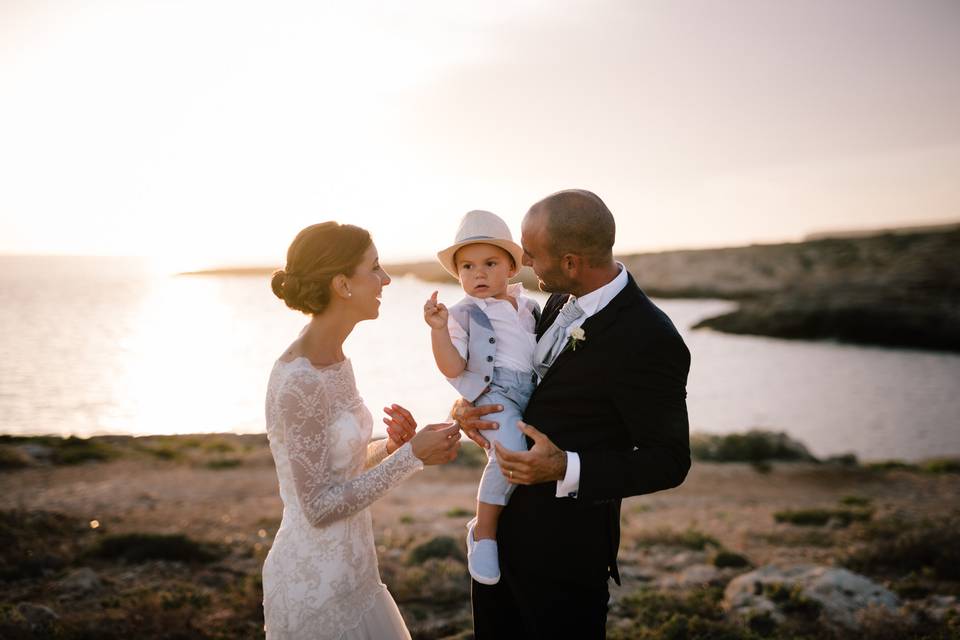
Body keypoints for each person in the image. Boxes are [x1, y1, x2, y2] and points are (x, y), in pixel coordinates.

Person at [454, 190, 692, 639]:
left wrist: (566, 467)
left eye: (532, 252)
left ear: (569, 262)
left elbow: (670, 459)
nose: (522, 260)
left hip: (566, 554)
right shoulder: (557, 302)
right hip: (499, 541)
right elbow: (511, 378)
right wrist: (466, 406)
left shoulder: (648, 336)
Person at [262, 221, 461, 640]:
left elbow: (338, 469)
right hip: (315, 587)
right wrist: (412, 457)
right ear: (342, 285)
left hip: (357, 573)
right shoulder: (299, 379)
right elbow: (317, 507)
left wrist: (389, 447)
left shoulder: (334, 357)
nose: (385, 279)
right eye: (374, 268)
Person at [423, 210, 540, 585]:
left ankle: (515, 529)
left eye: (490, 263)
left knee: (530, 454)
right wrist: (439, 331)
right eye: (468, 266)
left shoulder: (530, 307)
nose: (479, 274)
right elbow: (453, 368)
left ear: (512, 267)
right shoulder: (462, 315)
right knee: (508, 448)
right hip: (496, 393)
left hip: (533, 391)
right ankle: (484, 530)